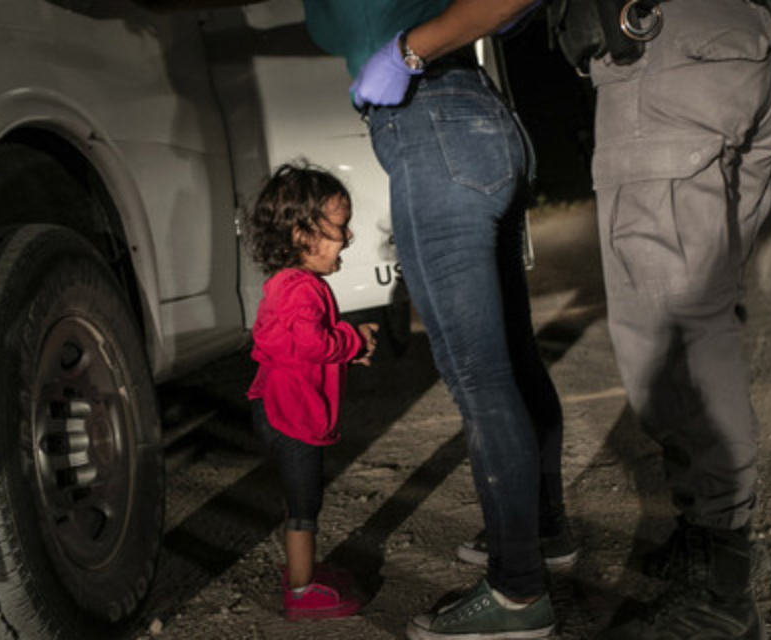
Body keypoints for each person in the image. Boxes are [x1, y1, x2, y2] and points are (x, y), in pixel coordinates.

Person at [302, 1, 573, 638]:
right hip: (478, 121)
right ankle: (542, 531)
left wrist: (406, 53)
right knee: (510, 357)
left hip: (432, 127)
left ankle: (517, 593)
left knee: (479, 377)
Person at [568, 0, 771, 637]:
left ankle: (719, 598)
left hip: (673, 47)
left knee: (670, 330)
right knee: (705, 311)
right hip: (750, 39)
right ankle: (707, 537)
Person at [244, 162, 379, 621]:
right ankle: (301, 590)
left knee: (299, 499)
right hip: (292, 416)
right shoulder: (302, 289)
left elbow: (293, 344)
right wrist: (353, 340)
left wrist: (344, 348)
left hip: (275, 408)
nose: (348, 238)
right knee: (305, 505)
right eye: (340, 228)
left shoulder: (286, 285)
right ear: (304, 235)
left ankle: (304, 571)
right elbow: (310, 343)